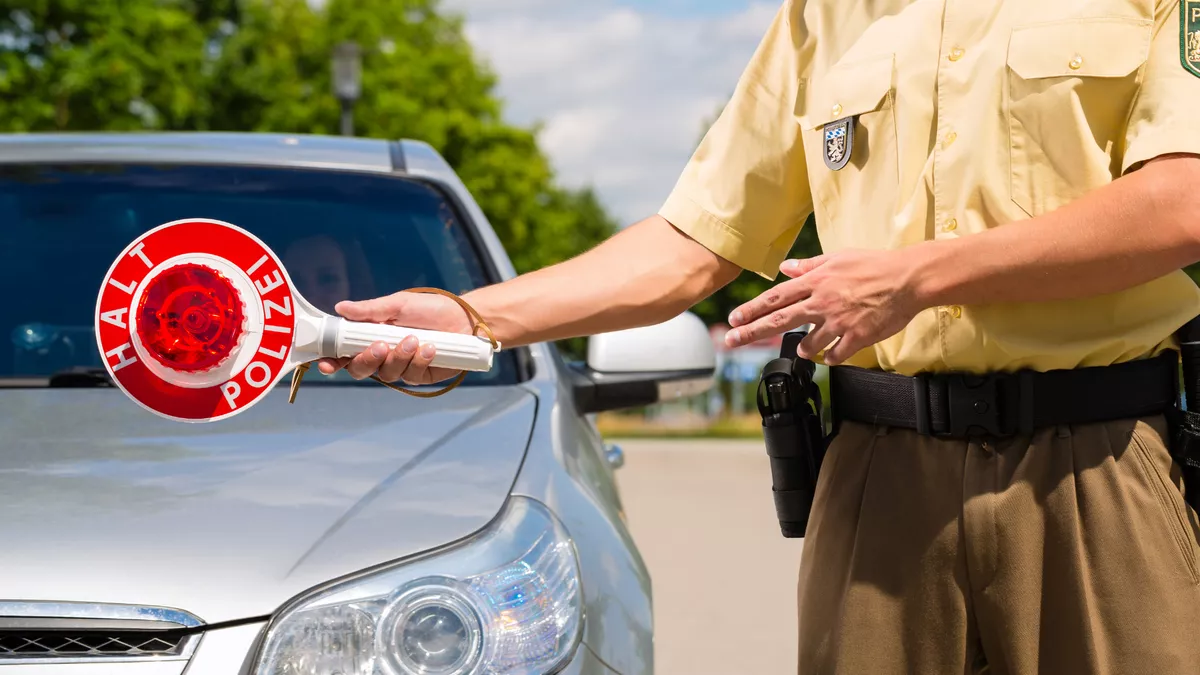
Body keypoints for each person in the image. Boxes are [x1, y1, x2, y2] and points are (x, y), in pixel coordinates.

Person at [320, 1, 1200, 672]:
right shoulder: (824, 14)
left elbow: (1180, 201)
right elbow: (694, 242)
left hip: (1098, 469)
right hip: (881, 476)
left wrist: (920, 274)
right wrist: (475, 314)